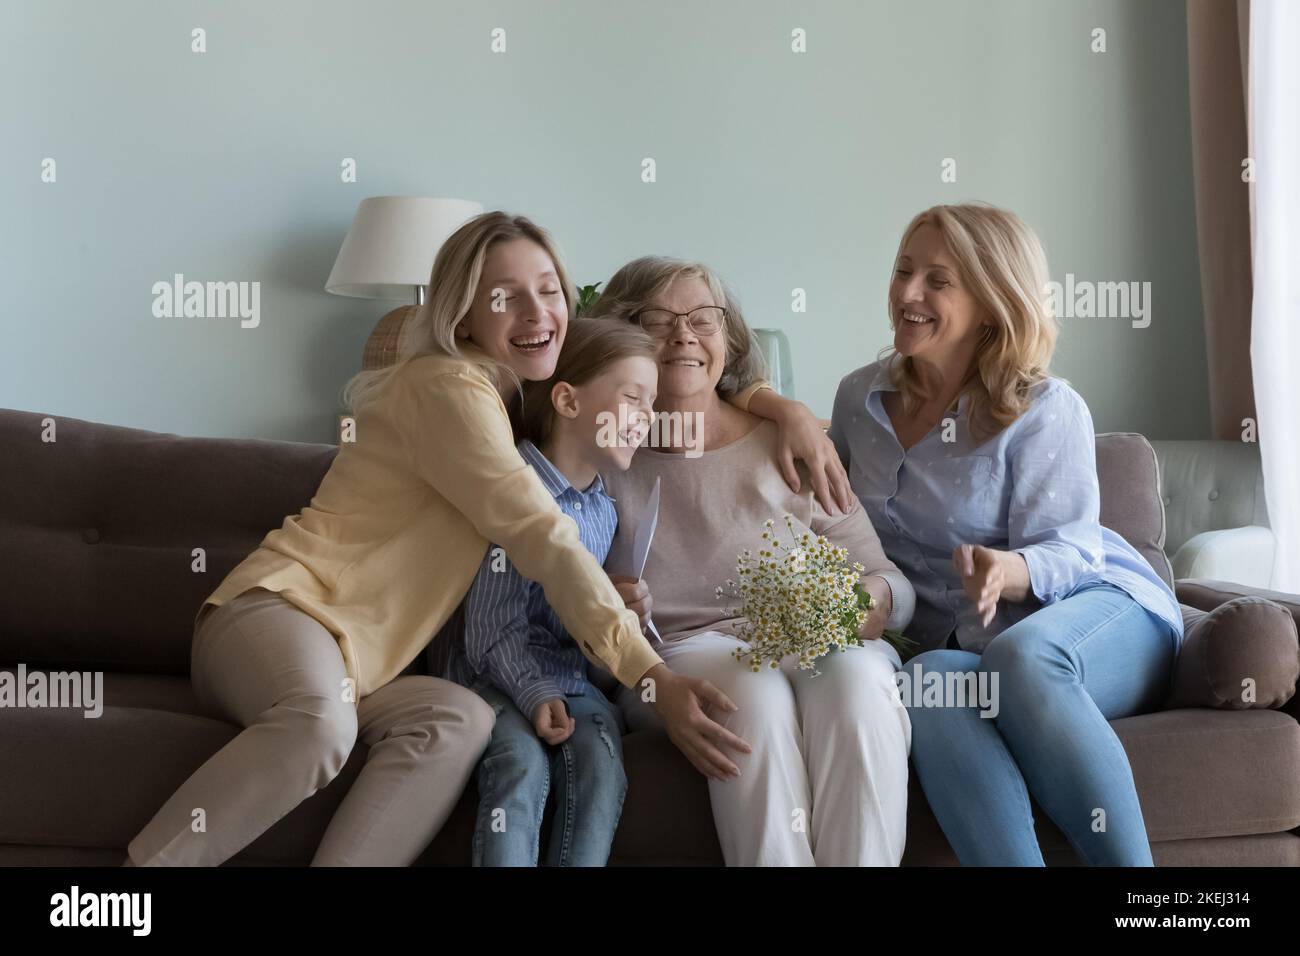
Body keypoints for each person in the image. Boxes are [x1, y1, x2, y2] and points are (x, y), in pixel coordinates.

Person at [829, 202, 1184, 866]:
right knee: (928, 683)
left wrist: (1007, 571)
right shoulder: (859, 401)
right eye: (904, 270)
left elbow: (1075, 547)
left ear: (992, 302)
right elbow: (821, 511)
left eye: (938, 280)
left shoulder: (1046, 408)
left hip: (1094, 611)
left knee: (1020, 660)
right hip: (967, 643)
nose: (909, 293)